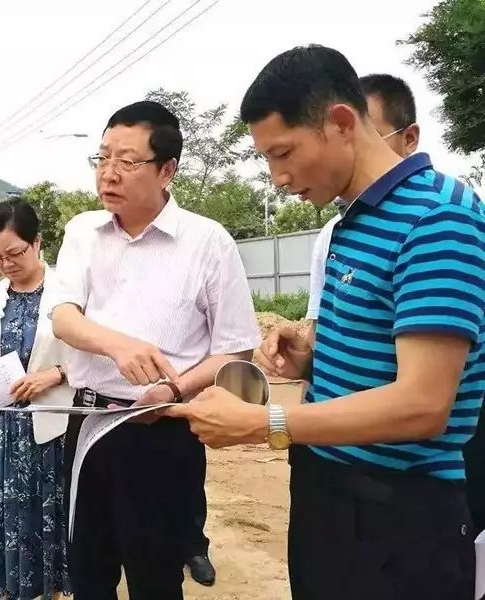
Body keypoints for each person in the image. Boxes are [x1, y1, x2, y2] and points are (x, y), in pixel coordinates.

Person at [164, 45, 485, 600]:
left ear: (340, 122)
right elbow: (388, 357)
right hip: (328, 492)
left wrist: (264, 423)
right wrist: (315, 358)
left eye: (283, 153)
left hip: (397, 516)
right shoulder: (352, 220)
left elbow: (423, 403)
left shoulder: (438, 218)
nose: (277, 177)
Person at [51, 101, 260, 600]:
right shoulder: (83, 232)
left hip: (163, 430)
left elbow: (236, 351)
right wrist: (119, 345)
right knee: (88, 572)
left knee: (156, 578)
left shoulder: (207, 242)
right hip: (90, 423)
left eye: (127, 161)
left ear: (167, 170)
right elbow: (63, 317)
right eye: (102, 158)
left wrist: (173, 389)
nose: (109, 173)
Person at [0, 198, 74, 600]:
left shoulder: (69, 291)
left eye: (14, 253)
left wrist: (55, 374)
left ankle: (48, 591)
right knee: (7, 520)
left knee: (47, 523)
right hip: (2, 433)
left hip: (51, 432)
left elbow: (94, 361)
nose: (6, 264)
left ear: (37, 242)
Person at [306, 74, 420, 340]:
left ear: (409, 139)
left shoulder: (433, 221)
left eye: (371, 137)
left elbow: (429, 368)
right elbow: (322, 327)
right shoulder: (334, 231)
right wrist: (305, 360)